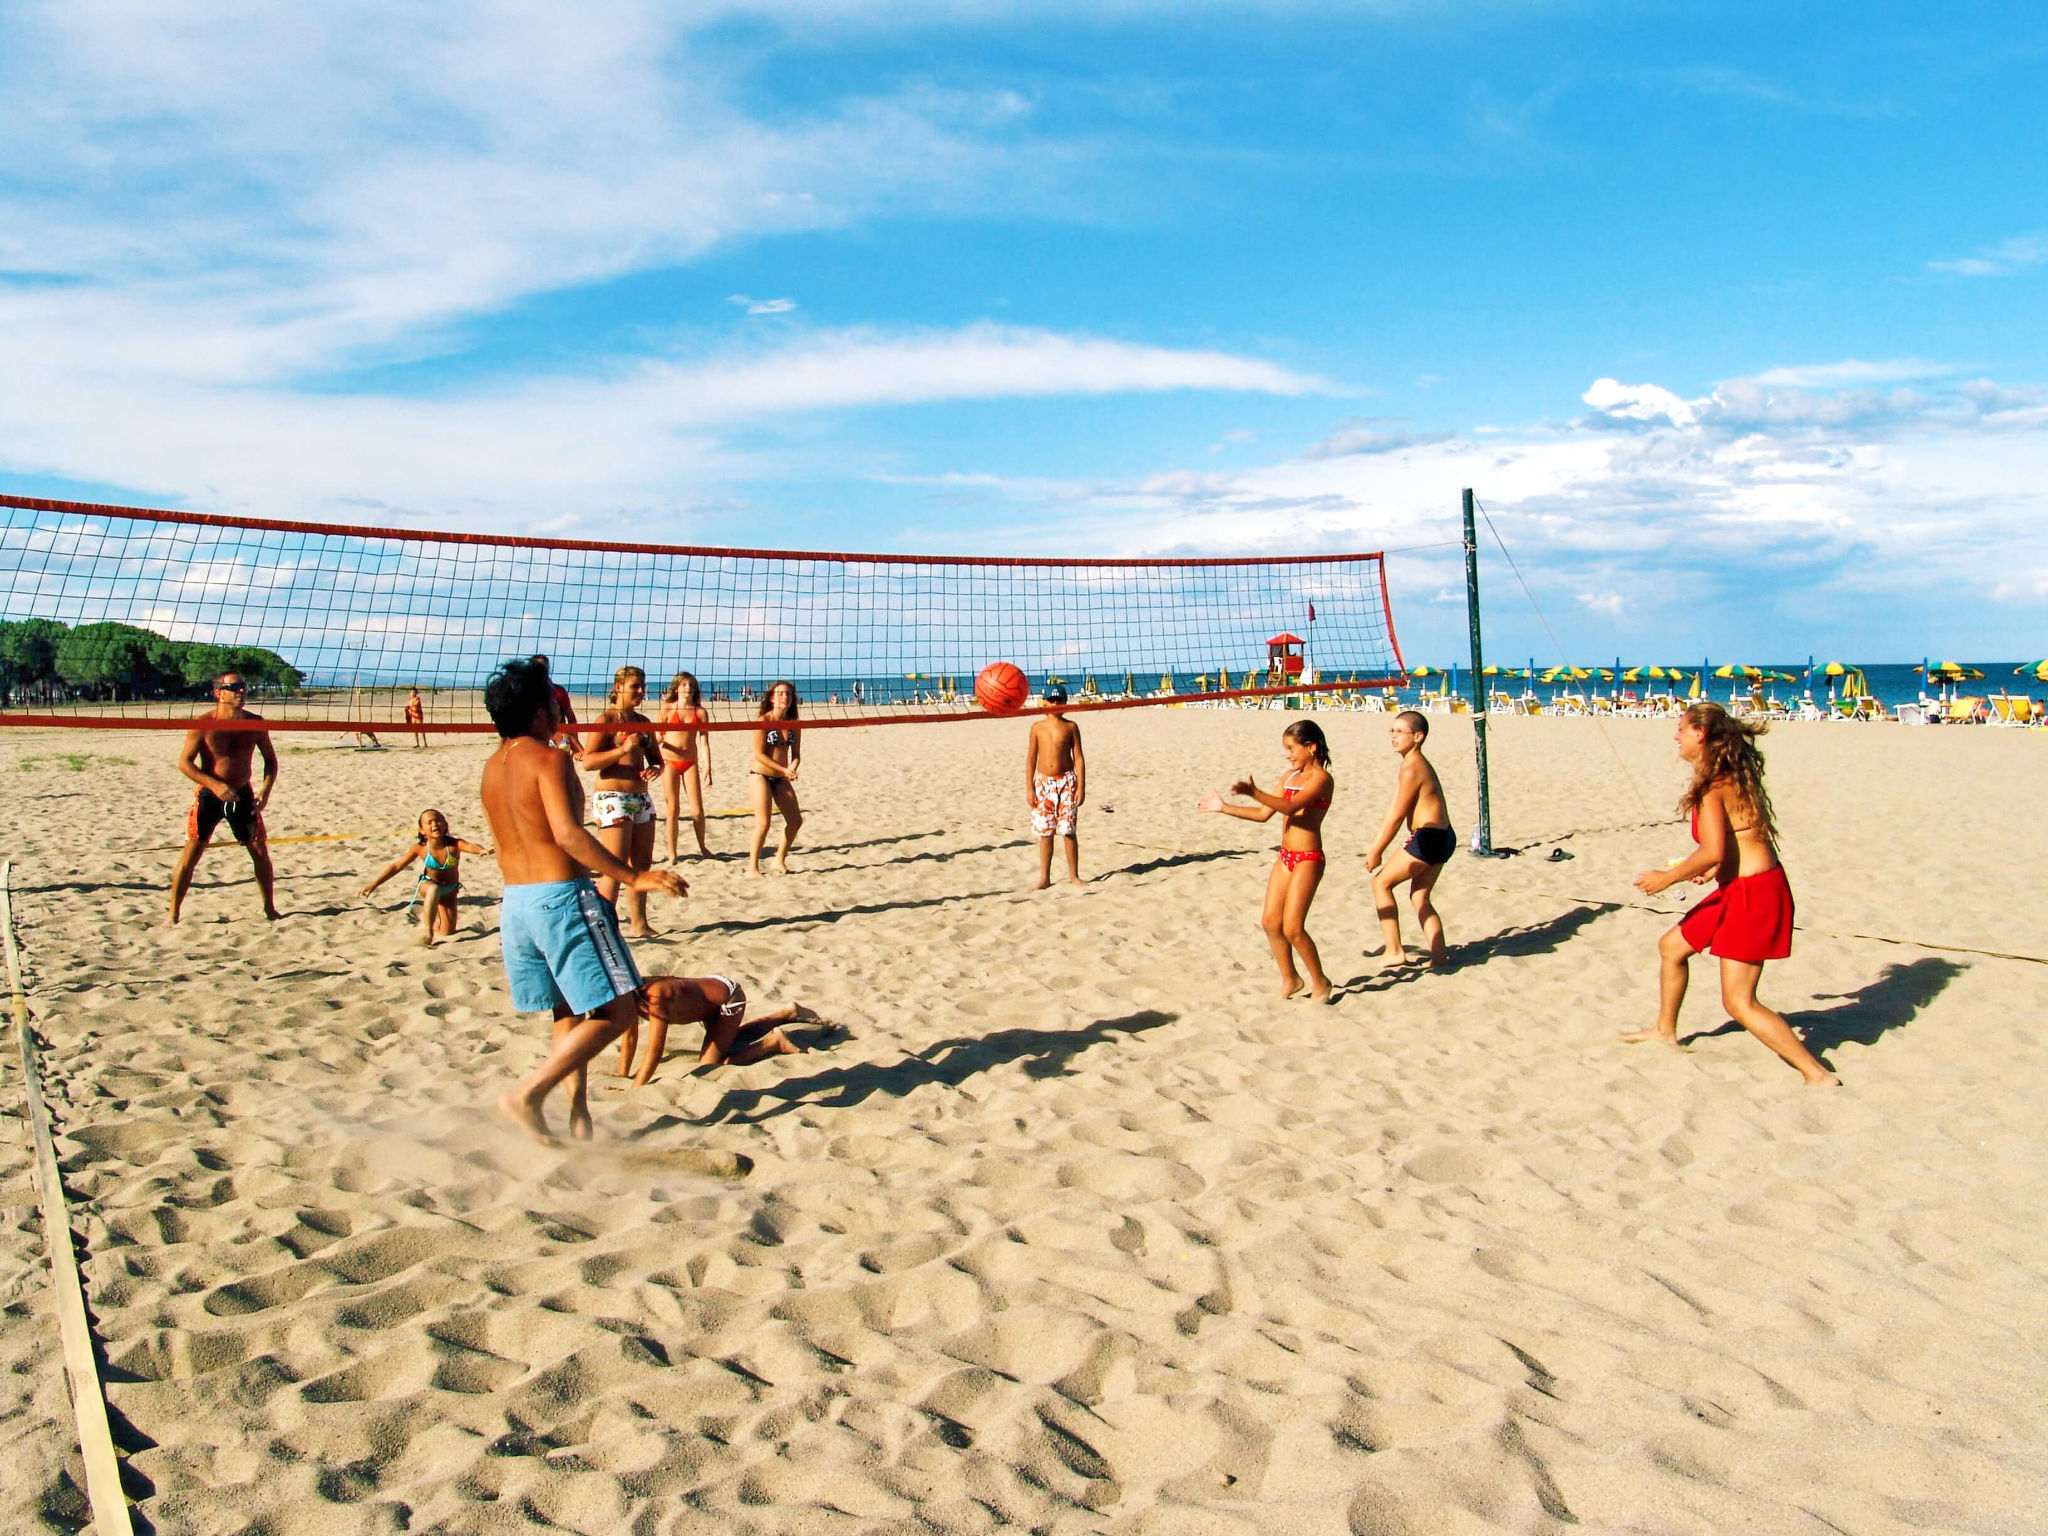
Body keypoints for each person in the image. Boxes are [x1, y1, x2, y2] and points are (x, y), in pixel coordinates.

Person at [482, 657, 686, 1144]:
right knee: (617, 1013)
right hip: (561, 899)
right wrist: (633, 878)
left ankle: (577, 1115)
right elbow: (570, 835)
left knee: (568, 1014)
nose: (560, 706)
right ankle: (528, 1094)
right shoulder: (549, 758)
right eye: (554, 700)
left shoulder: (493, 766)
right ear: (537, 712)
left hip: (517, 905)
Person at [1626, 703, 1838, 1085]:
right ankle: (1664, 1030)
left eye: (1681, 729)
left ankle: (1816, 1073)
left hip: (1754, 895)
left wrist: (1668, 877)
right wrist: (1712, 870)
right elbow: (1739, 842)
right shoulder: (1728, 776)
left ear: (1700, 735)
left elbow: (1713, 850)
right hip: (1739, 886)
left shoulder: (1714, 787)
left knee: (1739, 1002)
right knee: (1672, 947)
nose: (1676, 736)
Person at [1198, 720, 1335, 1002]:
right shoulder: (1288, 777)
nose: (1287, 755)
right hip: (1286, 856)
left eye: (1291, 748)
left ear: (1311, 747)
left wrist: (1254, 791)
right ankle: (1292, 979)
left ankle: (1320, 981)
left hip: (1309, 858)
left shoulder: (1322, 780)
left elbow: (1291, 807)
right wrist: (1223, 808)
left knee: (1293, 927)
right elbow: (1263, 814)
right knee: (1271, 922)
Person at [169, 671, 280, 924]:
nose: (241, 691)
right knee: (191, 855)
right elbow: (185, 764)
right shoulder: (204, 724)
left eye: (244, 687)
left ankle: (269, 909)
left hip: (242, 794)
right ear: (218, 693)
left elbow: (271, 762)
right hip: (210, 795)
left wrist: (265, 790)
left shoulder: (255, 723)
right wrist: (214, 784)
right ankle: (172, 914)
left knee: (260, 852)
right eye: (234, 687)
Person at [1364, 710, 1454, 970]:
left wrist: (1376, 850)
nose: (1393, 736)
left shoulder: (1412, 768)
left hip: (1427, 838)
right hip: (1444, 836)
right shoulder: (1416, 764)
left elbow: (1395, 814)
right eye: (1391, 731)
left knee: (1381, 883)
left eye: (1399, 732)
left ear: (1418, 736)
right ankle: (1440, 958)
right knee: (1419, 896)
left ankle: (1394, 950)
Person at [580, 665, 662, 938]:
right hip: (612, 797)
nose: (640, 691)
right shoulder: (606, 720)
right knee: (614, 866)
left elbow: (657, 761)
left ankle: (639, 924)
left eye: (642, 686)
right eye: (634, 687)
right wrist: (622, 750)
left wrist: (655, 770)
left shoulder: (643, 723)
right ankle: (604, 926)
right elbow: (588, 762)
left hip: (641, 796)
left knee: (642, 864)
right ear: (618, 688)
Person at [620, 975, 806, 1085]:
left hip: (728, 999)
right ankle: (786, 1014)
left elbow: (656, 1048)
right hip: (710, 999)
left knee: (709, 1065)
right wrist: (622, 1076)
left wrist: (637, 1087)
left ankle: (773, 1043)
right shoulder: (629, 997)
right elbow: (629, 1036)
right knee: (727, 1041)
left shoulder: (655, 997)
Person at [359, 809, 490, 946]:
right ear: (422, 830)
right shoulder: (420, 848)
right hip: (428, 885)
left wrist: (481, 850)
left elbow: (470, 846)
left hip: (450, 889)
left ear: (445, 825)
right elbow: (397, 866)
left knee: (447, 932)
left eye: (438, 820)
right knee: (434, 889)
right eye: (430, 822)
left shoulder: (454, 845)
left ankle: (428, 920)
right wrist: (373, 885)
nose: (435, 824)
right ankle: (428, 932)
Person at [1025, 684, 1086, 887]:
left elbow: (1078, 758)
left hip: (1067, 782)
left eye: (1059, 701)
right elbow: (1031, 758)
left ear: (1065, 703)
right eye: (1051, 700)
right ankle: (1044, 877)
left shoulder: (1071, 726)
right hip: (1043, 783)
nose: (1055, 704)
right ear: (1043, 702)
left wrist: (1082, 787)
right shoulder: (1037, 727)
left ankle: (1074, 875)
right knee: (1046, 832)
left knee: (1068, 831)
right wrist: (1029, 787)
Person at [747, 680, 804, 877]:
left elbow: (796, 754)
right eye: (780, 694)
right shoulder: (764, 721)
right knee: (763, 823)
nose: (785, 698)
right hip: (760, 775)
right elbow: (759, 754)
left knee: (796, 821)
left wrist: (792, 768)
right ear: (772, 697)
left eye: (788, 694)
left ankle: (779, 860)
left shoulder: (794, 724)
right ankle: (752, 867)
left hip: (781, 777)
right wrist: (783, 769)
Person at [658, 670, 714, 863]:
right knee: (673, 808)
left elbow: (704, 742)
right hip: (669, 761)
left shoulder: (700, 712)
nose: (688, 688)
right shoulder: (667, 708)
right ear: (676, 688)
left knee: (697, 809)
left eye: (691, 685)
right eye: (684, 684)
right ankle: (672, 853)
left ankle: (703, 847)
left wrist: (707, 768)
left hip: (690, 762)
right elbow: (658, 736)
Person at [532, 654, 577, 750]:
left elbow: (570, 716)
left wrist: (574, 740)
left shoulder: (559, 691)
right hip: (535, 740)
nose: (542, 669)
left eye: (544, 666)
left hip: (558, 740)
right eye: (538, 666)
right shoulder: (526, 692)